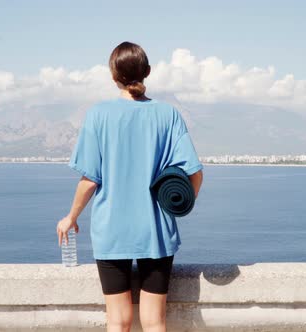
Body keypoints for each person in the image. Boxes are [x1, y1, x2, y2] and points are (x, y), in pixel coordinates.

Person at [56, 41, 204, 332]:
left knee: (118, 321)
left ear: (113, 76)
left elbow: (90, 180)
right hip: (156, 231)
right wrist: (179, 205)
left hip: (111, 231)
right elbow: (195, 174)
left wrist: (70, 217)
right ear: (147, 72)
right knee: (154, 322)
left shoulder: (98, 115)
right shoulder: (169, 115)